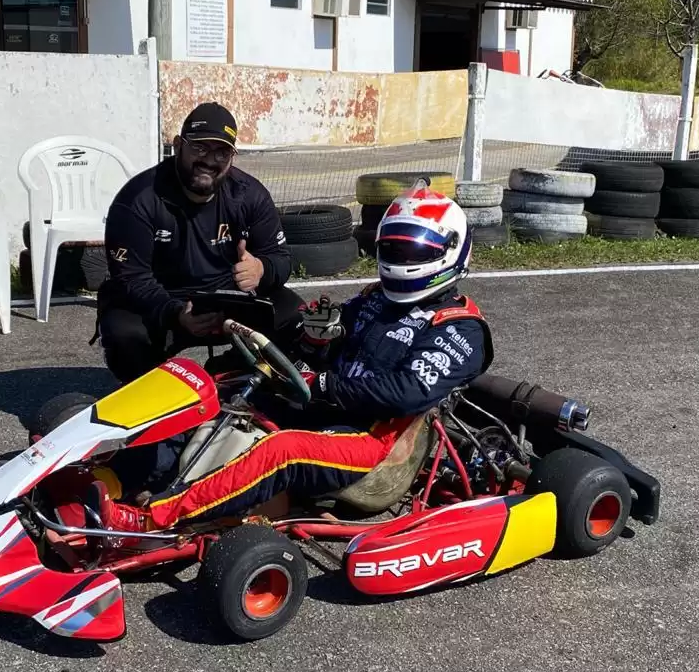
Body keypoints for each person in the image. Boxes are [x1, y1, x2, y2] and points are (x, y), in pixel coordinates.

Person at [83, 181, 496, 537]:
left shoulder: (459, 329)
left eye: (411, 253)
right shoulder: (373, 300)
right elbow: (322, 342)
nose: (400, 262)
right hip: (318, 408)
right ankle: (114, 474)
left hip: (371, 441)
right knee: (216, 387)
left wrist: (323, 385)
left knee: (283, 449)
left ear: (449, 253)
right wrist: (313, 343)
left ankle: (152, 520)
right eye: (392, 248)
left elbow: (406, 394)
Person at [93, 101, 304, 384]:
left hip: (228, 301)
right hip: (165, 301)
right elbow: (131, 278)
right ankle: (156, 392)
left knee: (296, 315)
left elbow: (280, 257)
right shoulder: (137, 200)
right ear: (178, 145)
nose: (209, 159)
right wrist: (175, 313)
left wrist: (261, 269)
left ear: (232, 157)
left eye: (221, 152)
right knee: (122, 332)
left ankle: (226, 374)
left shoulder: (249, 195)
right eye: (199, 147)